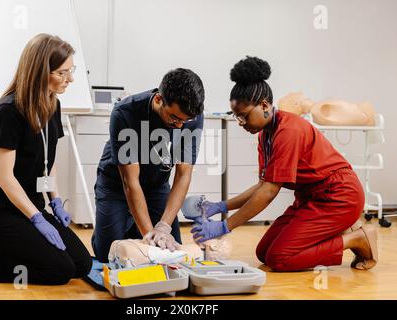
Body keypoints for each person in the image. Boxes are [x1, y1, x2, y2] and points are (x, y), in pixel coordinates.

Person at [191, 56, 378, 272]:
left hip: (338, 197)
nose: (240, 123)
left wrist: (225, 226)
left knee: (280, 258)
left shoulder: (289, 130)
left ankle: (356, 239)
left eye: (244, 116)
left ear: (264, 105)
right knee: (264, 252)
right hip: (310, 198)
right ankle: (339, 230)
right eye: (236, 117)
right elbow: (264, 186)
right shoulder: (265, 135)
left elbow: (269, 192)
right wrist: (221, 206)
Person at [0, 34, 92, 284]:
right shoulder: (8, 111)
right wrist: (37, 219)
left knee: (82, 264)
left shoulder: (52, 105)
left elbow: (50, 161)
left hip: (31, 204)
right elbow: (5, 179)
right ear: (39, 71)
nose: (70, 79)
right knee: (61, 271)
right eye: (62, 73)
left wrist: (55, 202)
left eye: (71, 71)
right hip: (0, 210)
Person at [92, 68, 205, 263]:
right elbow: (130, 182)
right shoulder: (125, 113)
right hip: (117, 185)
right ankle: (125, 223)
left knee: (170, 249)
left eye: (184, 121)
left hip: (156, 185)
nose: (180, 126)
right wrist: (150, 236)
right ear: (159, 100)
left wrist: (163, 228)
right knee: (107, 255)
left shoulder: (191, 116)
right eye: (174, 118)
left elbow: (183, 174)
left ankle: (135, 223)